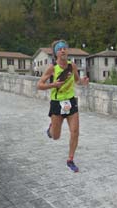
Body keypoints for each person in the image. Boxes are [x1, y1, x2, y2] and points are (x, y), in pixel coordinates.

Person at [37, 39, 89, 172]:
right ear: (56, 54)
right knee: (56, 136)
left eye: (64, 48)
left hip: (70, 102)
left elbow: (77, 81)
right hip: (57, 103)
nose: (63, 50)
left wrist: (83, 81)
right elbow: (39, 85)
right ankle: (51, 129)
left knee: (75, 132)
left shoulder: (72, 66)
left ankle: (70, 160)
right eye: (59, 48)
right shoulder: (52, 68)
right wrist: (53, 85)